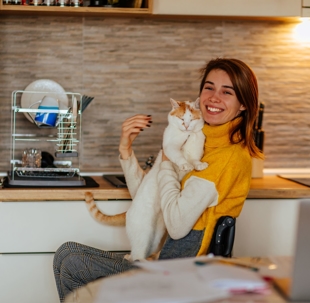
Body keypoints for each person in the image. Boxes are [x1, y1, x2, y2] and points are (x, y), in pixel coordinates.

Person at [53, 58, 263, 302]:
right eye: (209, 87)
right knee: (67, 255)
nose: (214, 97)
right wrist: (126, 150)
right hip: (165, 260)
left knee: (71, 261)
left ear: (243, 105)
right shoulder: (201, 138)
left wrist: (165, 162)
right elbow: (149, 198)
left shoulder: (226, 156)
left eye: (227, 92)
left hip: (179, 274)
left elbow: (176, 224)